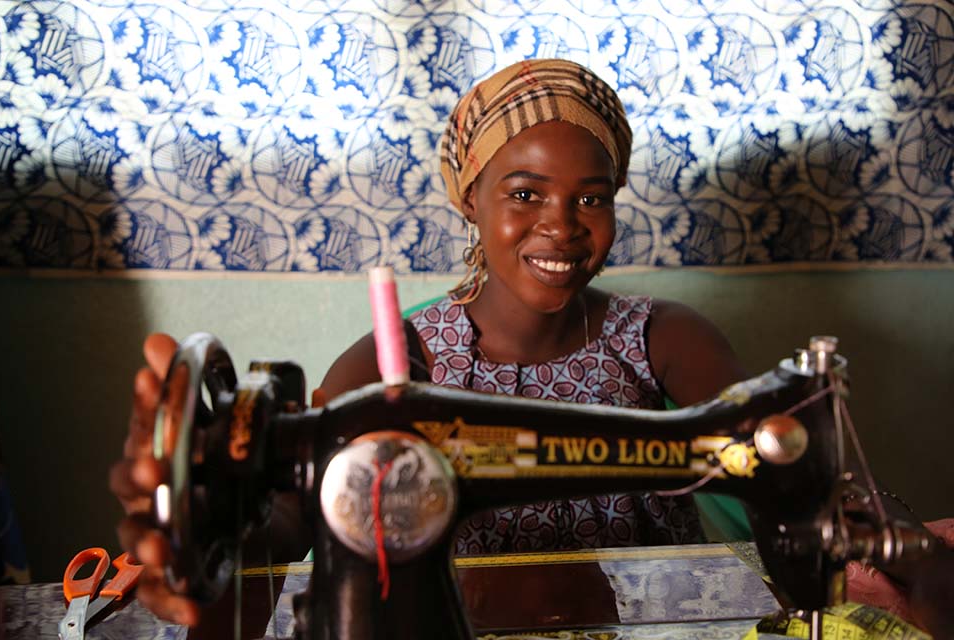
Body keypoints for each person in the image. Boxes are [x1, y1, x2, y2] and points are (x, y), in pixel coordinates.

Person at [109, 59, 952, 634]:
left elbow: (788, 458)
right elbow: (296, 511)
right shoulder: (399, 358)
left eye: (593, 198)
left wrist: (893, 537)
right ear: (470, 199)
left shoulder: (663, 339)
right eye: (524, 192)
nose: (561, 224)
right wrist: (198, 507)